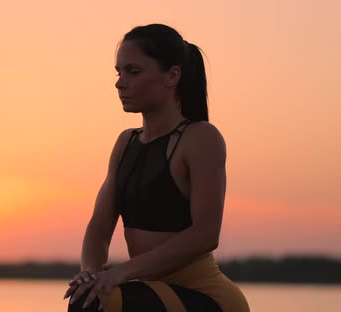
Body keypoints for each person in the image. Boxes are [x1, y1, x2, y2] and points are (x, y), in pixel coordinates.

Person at [63, 24, 250, 311]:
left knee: (93, 305)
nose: (120, 82)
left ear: (172, 75)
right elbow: (99, 229)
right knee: (87, 297)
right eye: (119, 72)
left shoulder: (200, 138)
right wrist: (90, 274)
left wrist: (121, 272)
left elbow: (206, 234)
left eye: (133, 72)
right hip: (150, 290)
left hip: (204, 296)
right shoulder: (126, 143)